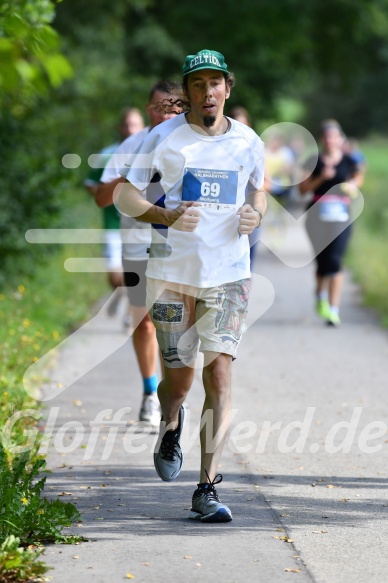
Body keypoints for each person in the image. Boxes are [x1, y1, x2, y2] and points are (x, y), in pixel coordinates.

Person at [117, 49, 266, 522]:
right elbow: (124, 193)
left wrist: (255, 213)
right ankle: (170, 422)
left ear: (228, 87)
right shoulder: (163, 137)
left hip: (229, 275)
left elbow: (260, 187)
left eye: (214, 83)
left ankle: (207, 488)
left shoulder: (248, 141)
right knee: (178, 382)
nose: (207, 93)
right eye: (197, 85)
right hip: (172, 275)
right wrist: (163, 215)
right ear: (187, 92)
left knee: (219, 373)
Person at [95, 81, 183, 426]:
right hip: (136, 245)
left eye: (176, 109)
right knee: (144, 324)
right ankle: (150, 392)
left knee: (172, 328)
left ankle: (172, 397)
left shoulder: (191, 145)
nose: (169, 115)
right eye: (162, 108)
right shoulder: (130, 146)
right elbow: (101, 198)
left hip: (177, 248)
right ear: (149, 110)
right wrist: (131, 176)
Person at [299, 119, 364, 326]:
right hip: (316, 215)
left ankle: (334, 310)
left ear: (340, 138)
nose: (330, 140)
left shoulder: (348, 159)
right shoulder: (313, 160)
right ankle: (320, 294)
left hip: (341, 215)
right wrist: (321, 178)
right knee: (323, 260)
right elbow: (302, 189)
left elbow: (358, 176)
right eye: (326, 137)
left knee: (336, 260)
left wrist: (353, 184)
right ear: (322, 139)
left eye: (334, 136)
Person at [84, 108, 145, 323]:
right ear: (120, 128)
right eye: (127, 124)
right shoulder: (107, 154)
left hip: (139, 226)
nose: (130, 129)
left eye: (135, 125)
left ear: (142, 126)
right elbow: (91, 185)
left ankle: (131, 309)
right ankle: (122, 293)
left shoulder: (150, 152)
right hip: (113, 223)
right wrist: (110, 193)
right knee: (115, 275)